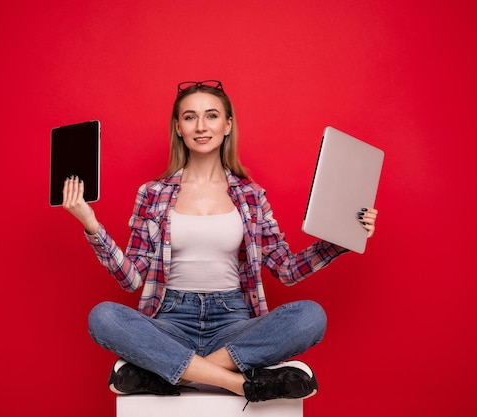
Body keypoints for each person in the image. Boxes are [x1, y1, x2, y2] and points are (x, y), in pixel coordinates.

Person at [62, 80, 378, 405]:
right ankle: (238, 383)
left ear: (227, 125)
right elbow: (131, 279)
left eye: (211, 116)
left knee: (312, 317)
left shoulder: (251, 195)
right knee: (103, 318)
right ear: (178, 127)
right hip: (171, 322)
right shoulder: (153, 194)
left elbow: (286, 270)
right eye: (190, 117)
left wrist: (341, 239)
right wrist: (91, 225)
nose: (201, 126)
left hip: (232, 323)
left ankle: (168, 373)